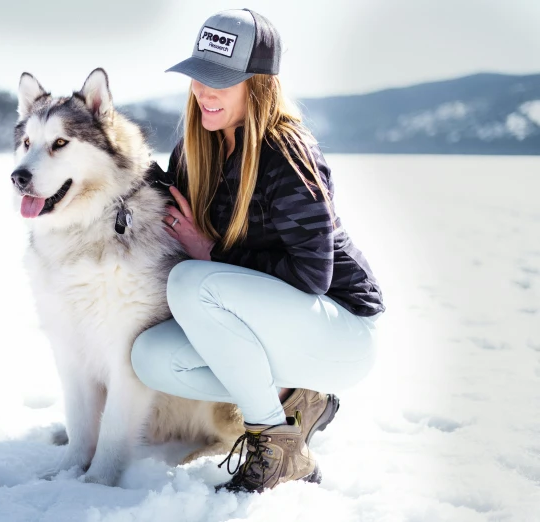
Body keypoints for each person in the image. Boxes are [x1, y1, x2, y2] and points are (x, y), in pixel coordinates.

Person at [130, 8, 386, 494]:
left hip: (340, 329)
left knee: (192, 282)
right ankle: (296, 397)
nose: (203, 92)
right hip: (277, 328)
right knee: (152, 357)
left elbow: (313, 276)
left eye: (220, 81)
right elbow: (171, 215)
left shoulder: (288, 155)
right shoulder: (195, 148)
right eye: (198, 76)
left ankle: (277, 444)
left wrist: (209, 253)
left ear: (259, 83)